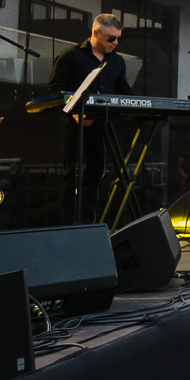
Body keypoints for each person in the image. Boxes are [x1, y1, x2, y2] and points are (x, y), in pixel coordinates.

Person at [46, 13, 130, 223]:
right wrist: (74, 112)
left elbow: (124, 93)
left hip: (101, 127)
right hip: (74, 126)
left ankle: (89, 224)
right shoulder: (70, 57)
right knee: (72, 175)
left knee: (95, 175)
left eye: (118, 38)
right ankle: (68, 225)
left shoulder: (117, 61)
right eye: (111, 38)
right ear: (96, 33)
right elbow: (54, 90)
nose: (115, 43)